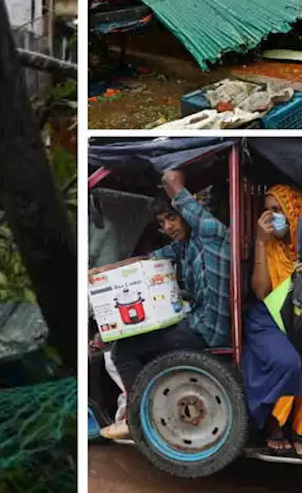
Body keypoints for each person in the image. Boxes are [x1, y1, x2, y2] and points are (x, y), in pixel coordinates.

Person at [92, 168, 231, 440]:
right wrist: (105, 269)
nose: (168, 227)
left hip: (209, 328)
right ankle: (147, 407)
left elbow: (171, 180)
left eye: (172, 218)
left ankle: (135, 419)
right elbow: (148, 260)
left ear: (187, 213)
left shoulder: (211, 233)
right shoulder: (186, 245)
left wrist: (171, 176)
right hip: (197, 321)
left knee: (122, 351)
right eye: (162, 222)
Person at [242, 184, 302, 458]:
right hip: (267, 316)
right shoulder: (266, 243)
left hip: (300, 317)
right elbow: (260, 291)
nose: (271, 217)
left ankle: (298, 429)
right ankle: (274, 426)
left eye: (277, 210)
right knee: (287, 362)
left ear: (295, 213)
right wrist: (260, 243)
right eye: (267, 211)